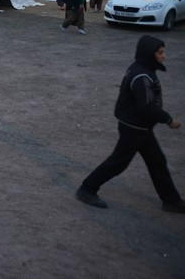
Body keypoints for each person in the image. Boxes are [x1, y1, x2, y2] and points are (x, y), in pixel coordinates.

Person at [76, 36, 185, 213]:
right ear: (149, 54)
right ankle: (87, 188)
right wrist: (168, 120)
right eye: (160, 52)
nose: (163, 56)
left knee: (157, 161)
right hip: (134, 128)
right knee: (118, 162)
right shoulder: (141, 76)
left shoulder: (142, 69)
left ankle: (171, 200)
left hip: (140, 127)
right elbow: (147, 107)